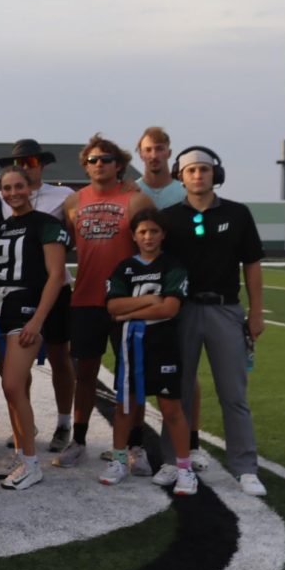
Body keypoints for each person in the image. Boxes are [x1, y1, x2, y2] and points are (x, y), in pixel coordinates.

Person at [159, 147, 267, 496]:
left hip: (225, 310)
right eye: (191, 170)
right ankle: (172, 459)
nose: (198, 176)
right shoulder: (168, 218)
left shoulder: (237, 214)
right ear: (181, 175)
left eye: (204, 169)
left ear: (215, 174)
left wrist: (256, 311)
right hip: (183, 311)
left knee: (233, 394)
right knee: (178, 391)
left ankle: (245, 466)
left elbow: (252, 263)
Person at [55, 135, 151, 469]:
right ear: (85, 165)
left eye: (106, 159)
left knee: (132, 375)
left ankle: (136, 445)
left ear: (119, 164)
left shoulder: (136, 201)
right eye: (93, 160)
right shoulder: (73, 203)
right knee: (85, 373)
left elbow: (151, 247)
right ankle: (79, 440)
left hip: (127, 301)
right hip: (86, 297)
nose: (99, 165)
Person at [101, 209, 197, 494]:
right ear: (134, 236)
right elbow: (112, 306)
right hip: (131, 347)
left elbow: (170, 308)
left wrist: (131, 309)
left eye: (154, 231)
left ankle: (184, 468)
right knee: (125, 406)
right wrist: (149, 300)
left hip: (164, 345)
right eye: (142, 232)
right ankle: (119, 459)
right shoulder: (124, 268)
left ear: (163, 234)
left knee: (171, 408)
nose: (148, 237)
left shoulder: (173, 265)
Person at [0, 167, 68, 490]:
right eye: (7, 188)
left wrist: (38, 319)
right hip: (3, 311)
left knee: (11, 386)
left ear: (29, 189)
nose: (13, 193)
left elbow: (56, 275)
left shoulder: (47, 224)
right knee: (16, 388)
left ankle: (32, 464)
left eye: (18, 186)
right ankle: (24, 455)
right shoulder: (4, 226)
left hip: (26, 313)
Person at [135, 127, 186, 209]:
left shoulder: (184, 193)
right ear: (141, 155)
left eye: (159, 149)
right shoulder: (133, 191)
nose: (154, 156)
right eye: (148, 150)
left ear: (169, 153)